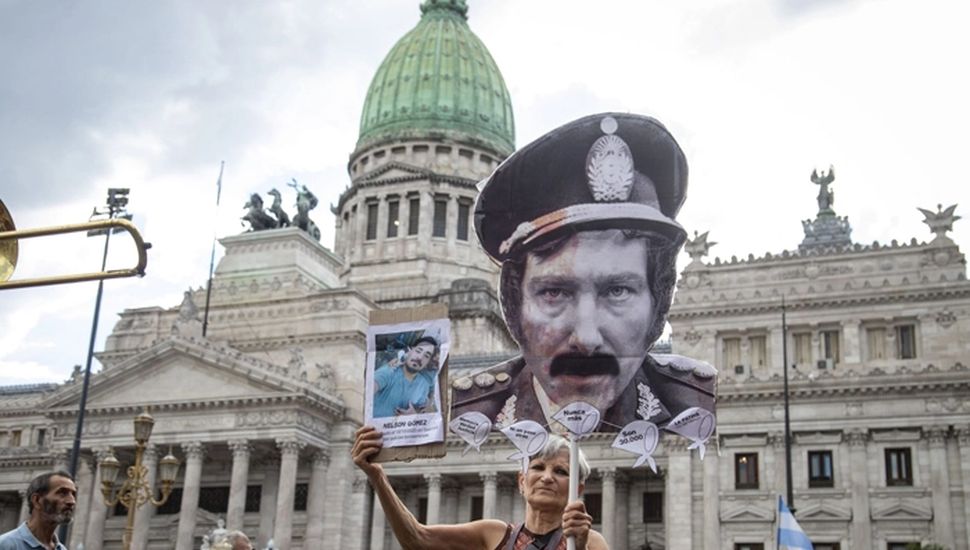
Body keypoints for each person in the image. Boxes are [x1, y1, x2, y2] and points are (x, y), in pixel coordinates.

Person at [452, 113, 716, 432]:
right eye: (555, 293)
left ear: (657, 305)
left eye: (617, 291)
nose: (587, 339)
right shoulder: (460, 418)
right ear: (514, 306)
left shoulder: (691, 407)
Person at [352, 426, 607, 550]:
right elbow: (416, 539)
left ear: (578, 489)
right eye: (538, 467)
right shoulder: (495, 534)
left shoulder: (592, 543)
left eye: (561, 471)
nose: (547, 477)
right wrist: (378, 477)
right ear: (522, 481)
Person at [0, 471, 77, 550]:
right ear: (37, 500)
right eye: (62, 493)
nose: (72, 501)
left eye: (73, 494)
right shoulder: (5, 545)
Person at [372, 336, 439, 418]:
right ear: (410, 351)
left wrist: (414, 415)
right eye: (418, 351)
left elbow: (423, 409)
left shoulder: (423, 384)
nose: (420, 357)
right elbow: (370, 388)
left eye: (426, 356)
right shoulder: (390, 371)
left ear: (428, 362)